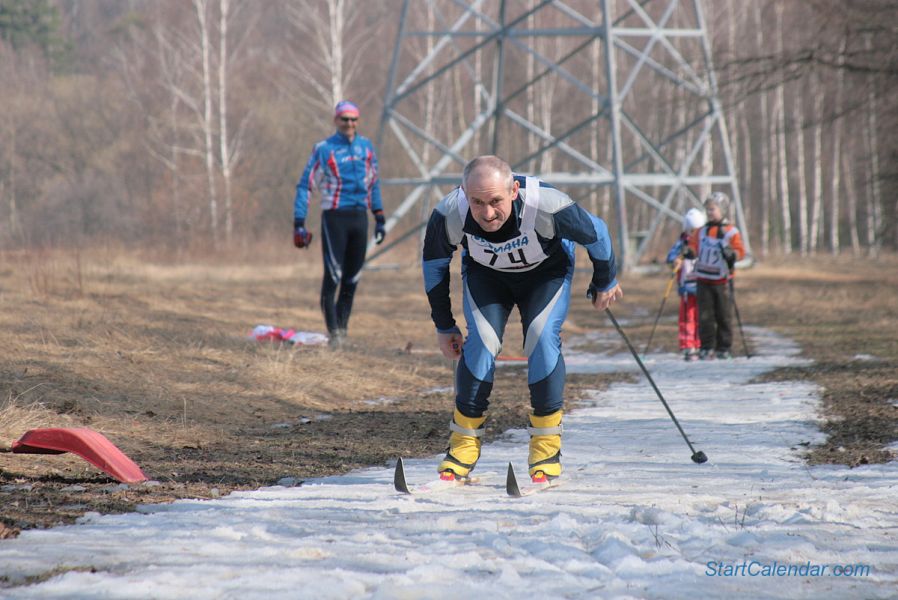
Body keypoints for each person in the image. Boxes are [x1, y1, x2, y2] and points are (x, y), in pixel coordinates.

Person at [422, 155, 622, 484]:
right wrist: (444, 325)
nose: (487, 213)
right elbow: (434, 267)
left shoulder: (547, 204)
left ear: (514, 190)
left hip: (546, 276)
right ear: (463, 192)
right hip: (489, 279)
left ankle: (545, 445)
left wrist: (605, 281)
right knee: (482, 343)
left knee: (541, 338)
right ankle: (463, 444)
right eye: (477, 202)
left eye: (496, 201)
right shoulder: (449, 213)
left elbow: (597, 233)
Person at [293, 100, 387, 348]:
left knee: (352, 278)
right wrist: (298, 222)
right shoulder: (323, 149)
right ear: (336, 120)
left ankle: (342, 332)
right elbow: (305, 185)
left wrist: (379, 216)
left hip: (359, 218)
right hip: (335, 217)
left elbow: (374, 183)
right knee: (333, 277)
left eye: (354, 119)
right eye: (345, 119)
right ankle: (334, 333)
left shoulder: (366, 147)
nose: (349, 124)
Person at [689, 192, 745, 360]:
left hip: (722, 281)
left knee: (723, 315)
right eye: (707, 209)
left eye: (713, 209)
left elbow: (740, 251)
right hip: (703, 278)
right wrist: (688, 252)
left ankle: (724, 347)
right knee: (705, 315)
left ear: (722, 210)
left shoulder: (730, 231)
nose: (709, 212)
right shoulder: (701, 231)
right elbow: (694, 247)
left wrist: (732, 254)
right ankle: (706, 347)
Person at [666, 208, 706, 361]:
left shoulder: (704, 241)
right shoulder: (682, 243)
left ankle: (703, 344)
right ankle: (688, 345)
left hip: (703, 284)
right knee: (688, 317)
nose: (694, 234)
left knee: (703, 316)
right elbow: (671, 257)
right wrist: (675, 260)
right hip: (687, 287)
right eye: (692, 230)